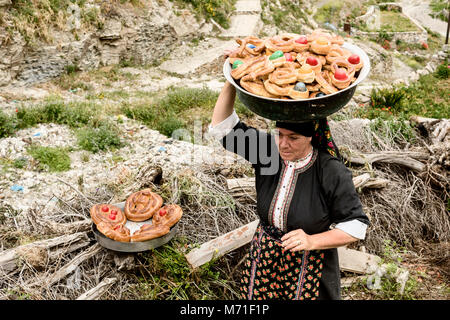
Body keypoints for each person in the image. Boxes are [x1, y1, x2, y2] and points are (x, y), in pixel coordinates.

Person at [208, 80, 370, 300]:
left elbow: (355, 226)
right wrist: (231, 80)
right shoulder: (267, 151)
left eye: (293, 138)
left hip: (310, 265)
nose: (283, 144)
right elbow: (223, 127)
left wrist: (312, 241)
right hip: (265, 258)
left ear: (311, 136)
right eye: (280, 134)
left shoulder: (330, 170)